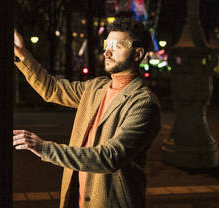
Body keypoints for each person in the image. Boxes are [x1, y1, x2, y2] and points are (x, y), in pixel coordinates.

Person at [13, 17, 161, 208]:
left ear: (137, 54)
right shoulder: (96, 87)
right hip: (76, 198)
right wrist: (22, 54)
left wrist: (44, 148)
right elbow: (52, 89)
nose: (107, 52)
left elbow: (110, 157)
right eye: (107, 44)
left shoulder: (143, 103)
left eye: (117, 46)